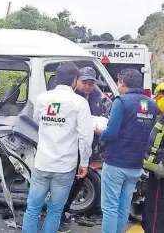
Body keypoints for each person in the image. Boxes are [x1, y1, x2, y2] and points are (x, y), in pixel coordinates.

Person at [22, 62, 94, 233]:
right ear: (75, 80)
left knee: (32, 208)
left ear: (56, 79)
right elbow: (85, 135)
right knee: (55, 211)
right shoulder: (79, 102)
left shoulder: (42, 98)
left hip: (42, 162)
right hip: (64, 166)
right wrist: (84, 163)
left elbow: (37, 124)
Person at [95, 68, 158, 233]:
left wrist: (98, 131)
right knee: (124, 206)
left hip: (116, 162)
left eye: (118, 83)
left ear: (122, 83)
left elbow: (111, 133)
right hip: (136, 165)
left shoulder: (121, 101)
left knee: (110, 207)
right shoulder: (151, 104)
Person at [59, 66, 105, 233]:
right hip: (70, 146)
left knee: (78, 182)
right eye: (84, 82)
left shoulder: (97, 97)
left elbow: (100, 117)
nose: (88, 86)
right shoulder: (71, 99)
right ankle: (59, 213)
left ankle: (64, 209)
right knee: (65, 182)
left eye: (91, 83)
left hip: (87, 147)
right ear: (76, 81)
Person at [142, 82, 164, 233]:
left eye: (160, 95)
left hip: (160, 173)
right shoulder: (161, 117)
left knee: (156, 209)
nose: (157, 98)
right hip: (155, 171)